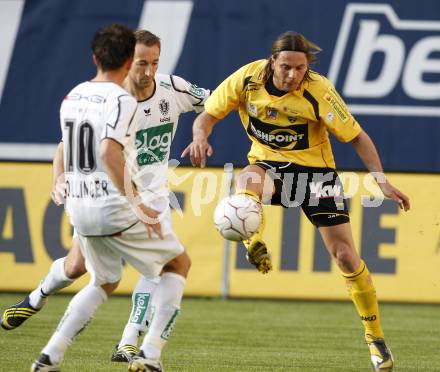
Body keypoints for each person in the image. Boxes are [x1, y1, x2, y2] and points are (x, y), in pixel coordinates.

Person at [182, 31, 410, 372]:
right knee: (247, 180)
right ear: (272, 62)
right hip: (269, 165)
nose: (292, 75)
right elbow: (209, 115)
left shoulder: (318, 91)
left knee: (346, 257)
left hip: (316, 176)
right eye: (286, 66)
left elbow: (357, 136)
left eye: (300, 68)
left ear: (308, 67)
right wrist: (200, 136)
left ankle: (374, 337)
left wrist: (381, 180)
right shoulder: (246, 79)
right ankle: (254, 240)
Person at [19, 23, 186, 372]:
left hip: (80, 207)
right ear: (129, 62)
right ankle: (151, 355)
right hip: (113, 205)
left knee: (104, 281)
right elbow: (109, 152)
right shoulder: (123, 100)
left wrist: (60, 179)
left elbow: (68, 146)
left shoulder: (73, 95)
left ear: (95, 57)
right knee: (177, 264)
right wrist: (139, 204)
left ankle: (50, 354)